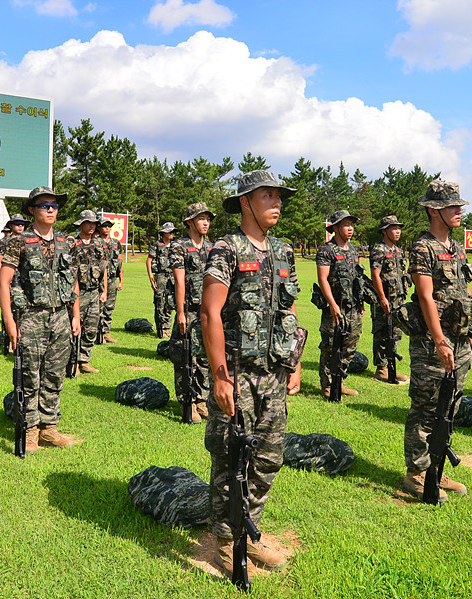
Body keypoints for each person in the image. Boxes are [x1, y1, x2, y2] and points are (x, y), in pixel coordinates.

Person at [201, 170, 301, 576]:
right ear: (246, 202)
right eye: (267, 196)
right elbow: (210, 313)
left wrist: (293, 364)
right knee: (230, 457)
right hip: (238, 373)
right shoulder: (227, 248)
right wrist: (221, 377)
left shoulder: (283, 250)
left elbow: (289, 309)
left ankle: (247, 526)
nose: (276, 203)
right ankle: (227, 542)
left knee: (268, 457)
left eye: (279, 196)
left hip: (274, 373)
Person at [402, 180, 472, 502]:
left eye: (459, 206)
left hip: (459, 339)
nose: (459, 211)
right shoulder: (423, 247)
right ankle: (417, 472)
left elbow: (465, 292)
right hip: (433, 343)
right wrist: (439, 340)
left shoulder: (456, 248)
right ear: (434, 210)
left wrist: (471, 332)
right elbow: (425, 296)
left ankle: (437, 467)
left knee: (450, 405)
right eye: (453, 207)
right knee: (426, 406)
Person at [0, 187, 82, 452]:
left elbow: (73, 280)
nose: (50, 209)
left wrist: (75, 314)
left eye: (54, 205)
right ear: (32, 210)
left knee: (55, 374)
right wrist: (10, 323)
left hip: (60, 316)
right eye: (44, 205)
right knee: (29, 375)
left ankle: (50, 427)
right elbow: (4, 281)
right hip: (31, 318)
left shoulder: (66, 241)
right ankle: (31, 428)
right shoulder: (19, 241)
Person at [169, 202, 214, 423]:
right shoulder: (179, 246)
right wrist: (180, 312)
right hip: (189, 309)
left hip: (208, 311)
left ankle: (202, 399)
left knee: (205, 357)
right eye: (201, 218)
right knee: (185, 356)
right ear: (189, 222)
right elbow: (179, 281)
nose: (205, 222)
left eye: (207, 218)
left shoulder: (213, 248)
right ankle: (187, 401)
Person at [315, 210, 365, 399]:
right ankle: (327, 385)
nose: (350, 228)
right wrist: (333, 304)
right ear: (335, 228)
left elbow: (356, 278)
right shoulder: (326, 250)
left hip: (353, 307)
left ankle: (340, 381)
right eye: (346, 225)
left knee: (350, 345)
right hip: (335, 307)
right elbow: (323, 279)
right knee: (330, 346)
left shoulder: (353, 250)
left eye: (351, 224)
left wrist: (360, 303)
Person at [370, 215, 410, 384]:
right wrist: (382, 297)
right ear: (384, 231)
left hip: (398, 298)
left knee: (395, 332)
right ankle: (381, 368)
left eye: (399, 228)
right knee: (382, 332)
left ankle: (391, 364)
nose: (397, 231)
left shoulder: (399, 251)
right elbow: (375, 275)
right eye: (394, 228)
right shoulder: (379, 250)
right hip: (385, 299)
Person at [71, 210, 107, 373]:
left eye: (94, 223)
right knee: (74, 328)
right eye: (88, 222)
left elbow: (103, 268)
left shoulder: (99, 244)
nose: (92, 226)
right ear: (81, 224)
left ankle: (84, 360)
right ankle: (72, 362)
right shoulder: (73, 244)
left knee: (91, 328)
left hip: (94, 292)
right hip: (78, 292)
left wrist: (104, 290)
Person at [147, 222, 177, 337]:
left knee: (170, 302)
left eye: (173, 231)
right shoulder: (157, 245)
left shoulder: (175, 245)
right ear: (164, 233)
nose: (172, 234)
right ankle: (161, 329)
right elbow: (149, 261)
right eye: (169, 231)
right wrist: (151, 278)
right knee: (160, 302)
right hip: (160, 276)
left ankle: (167, 328)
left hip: (172, 277)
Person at [96, 216, 123, 343]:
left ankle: (106, 332)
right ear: (99, 227)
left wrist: (121, 279)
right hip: (99, 280)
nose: (107, 228)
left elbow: (120, 262)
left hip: (112, 279)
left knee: (109, 307)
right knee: (99, 307)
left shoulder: (116, 243)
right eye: (104, 226)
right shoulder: (96, 242)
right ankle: (97, 333)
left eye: (109, 226)